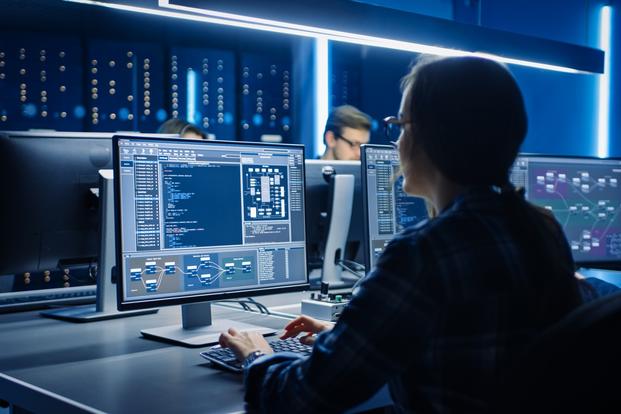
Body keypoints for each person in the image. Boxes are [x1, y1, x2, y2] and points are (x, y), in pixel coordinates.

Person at [219, 56, 584, 413]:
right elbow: (470, 338)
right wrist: (346, 335)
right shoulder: (541, 228)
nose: (396, 143)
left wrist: (256, 355)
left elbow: (302, 398)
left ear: (433, 136)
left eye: (401, 126)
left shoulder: (424, 251)